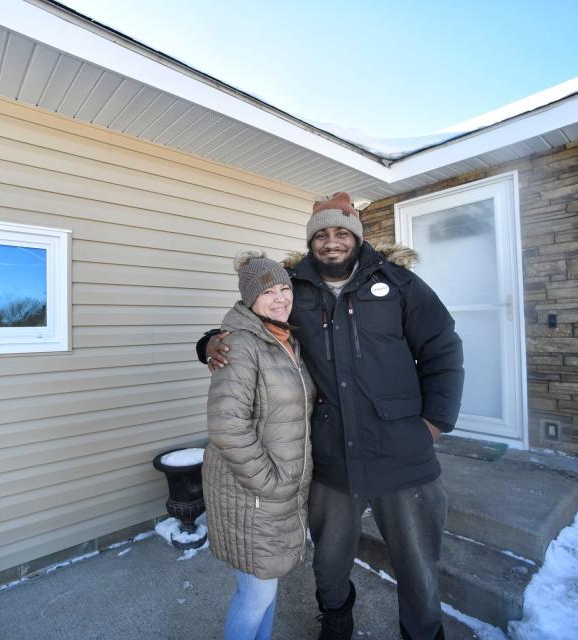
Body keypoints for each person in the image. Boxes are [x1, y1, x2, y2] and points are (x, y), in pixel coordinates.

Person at [198, 193, 464, 640]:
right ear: (310, 242)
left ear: (357, 236)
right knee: (330, 557)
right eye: (320, 234)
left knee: (416, 559)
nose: (331, 242)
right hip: (330, 455)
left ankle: (422, 632)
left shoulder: (398, 284)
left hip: (402, 451)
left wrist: (434, 422)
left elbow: (442, 347)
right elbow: (252, 320)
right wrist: (208, 342)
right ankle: (336, 620)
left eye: (341, 232)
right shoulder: (293, 287)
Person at [203, 250, 315, 640]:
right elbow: (226, 426)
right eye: (269, 292)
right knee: (255, 593)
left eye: (286, 288)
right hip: (254, 494)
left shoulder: (285, 340)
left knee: (267, 588)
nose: (282, 298)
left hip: (282, 493)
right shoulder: (240, 344)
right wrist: (268, 482)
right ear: (250, 299)